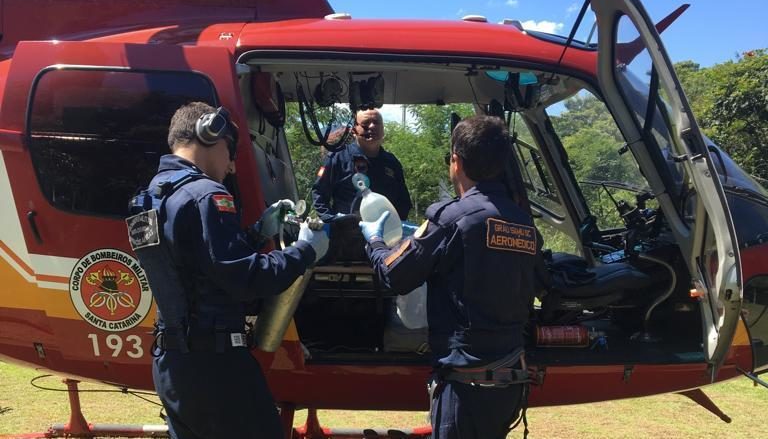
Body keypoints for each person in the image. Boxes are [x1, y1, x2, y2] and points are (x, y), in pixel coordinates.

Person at [126, 102, 328, 439]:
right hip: (216, 367)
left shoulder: (149, 198)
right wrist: (306, 250)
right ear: (210, 133)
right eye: (230, 151)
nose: (232, 166)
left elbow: (198, 267)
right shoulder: (207, 194)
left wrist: (255, 234)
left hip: (172, 364)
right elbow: (246, 280)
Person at [359, 115, 537, 439]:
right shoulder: (523, 222)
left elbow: (394, 275)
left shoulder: (452, 218)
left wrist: (374, 240)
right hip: (510, 381)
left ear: (455, 161)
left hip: (466, 386)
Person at [311, 108, 411, 262]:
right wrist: (332, 222)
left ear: (383, 129)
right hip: (346, 244)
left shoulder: (392, 163)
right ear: (354, 129)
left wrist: (395, 226)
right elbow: (319, 194)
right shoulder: (338, 158)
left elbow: (404, 201)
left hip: (387, 244)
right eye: (365, 124)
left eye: (376, 123)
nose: (371, 127)